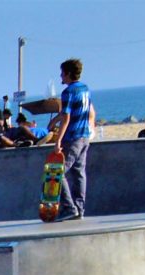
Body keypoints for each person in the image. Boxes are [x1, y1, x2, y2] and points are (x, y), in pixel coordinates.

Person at [45, 58, 95, 222]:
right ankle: (79, 209)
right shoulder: (85, 89)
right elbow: (80, 111)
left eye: (62, 73)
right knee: (79, 172)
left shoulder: (68, 92)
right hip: (85, 136)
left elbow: (66, 118)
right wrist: (54, 121)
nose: (61, 76)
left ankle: (69, 208)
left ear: (68, 73)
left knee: (58, 172)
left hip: (72, 137)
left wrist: (58, 140)